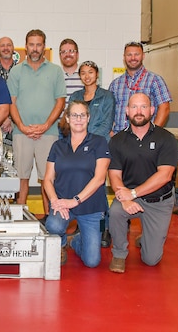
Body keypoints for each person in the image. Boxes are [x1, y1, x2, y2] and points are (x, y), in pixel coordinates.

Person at [107, 93, 178, 274]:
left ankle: (147, 239)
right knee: (115, 211)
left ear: (152, 110)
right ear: (126, 111)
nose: (139, 112)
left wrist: (133, 194)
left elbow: (165, 175)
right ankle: (119, 254)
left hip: (159, 201)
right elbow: (114, 174)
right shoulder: (117, 141)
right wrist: (125, 198)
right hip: (130, 197)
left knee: (151, 260)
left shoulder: (166, 138)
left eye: (144, 107)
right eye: (134, 107)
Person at [44, 100, 110, 267]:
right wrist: (55, 202)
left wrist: (75, 201)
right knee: (53, 224)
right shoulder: (58, 146)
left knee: (92, 261)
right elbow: (48, 179)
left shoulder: (99, 142)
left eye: (82, 115)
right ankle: (61, 243)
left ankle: (75, 241)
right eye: (74, 115)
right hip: (63, 205)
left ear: (88, 118)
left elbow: (100, 178)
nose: (78, 119)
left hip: (91, 207)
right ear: (67, 117)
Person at [7, 29, 66, 214]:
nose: (34, 48)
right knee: (21, 177)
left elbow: (60, 101)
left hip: (48, 134)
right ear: (25, 47)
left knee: (47, 178)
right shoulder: (15, 71)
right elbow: (12, 102)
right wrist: (23, 128)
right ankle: (18, 216)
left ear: (44, 47)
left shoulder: (55, 71)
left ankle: (50, 218)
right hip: (21, 133)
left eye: (38, 44)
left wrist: (46, 125)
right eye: (31, 44)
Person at [70, 60, 116, 247]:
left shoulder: (107, 96)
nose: (87, 76)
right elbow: (72, 120)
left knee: (98, 188)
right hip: (77, 147)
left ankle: (103, 228)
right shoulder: (75, 96)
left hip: (98, 147)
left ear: (97, 75)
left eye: (90, 72)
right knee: (80, 185)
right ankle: (82, 224)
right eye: (83, 73)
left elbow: (105, 124)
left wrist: (87, 141)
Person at [109, 41, 172, 135]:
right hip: (119, 138)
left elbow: (165, 108)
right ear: (124, 57)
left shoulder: (155, 80)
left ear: (143, 56)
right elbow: (108, 112)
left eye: (136, 54)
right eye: (129, 55)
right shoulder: (115, 84)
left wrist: (152, 134)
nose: (133, 58)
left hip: (144, 138)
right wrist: (111, 134)